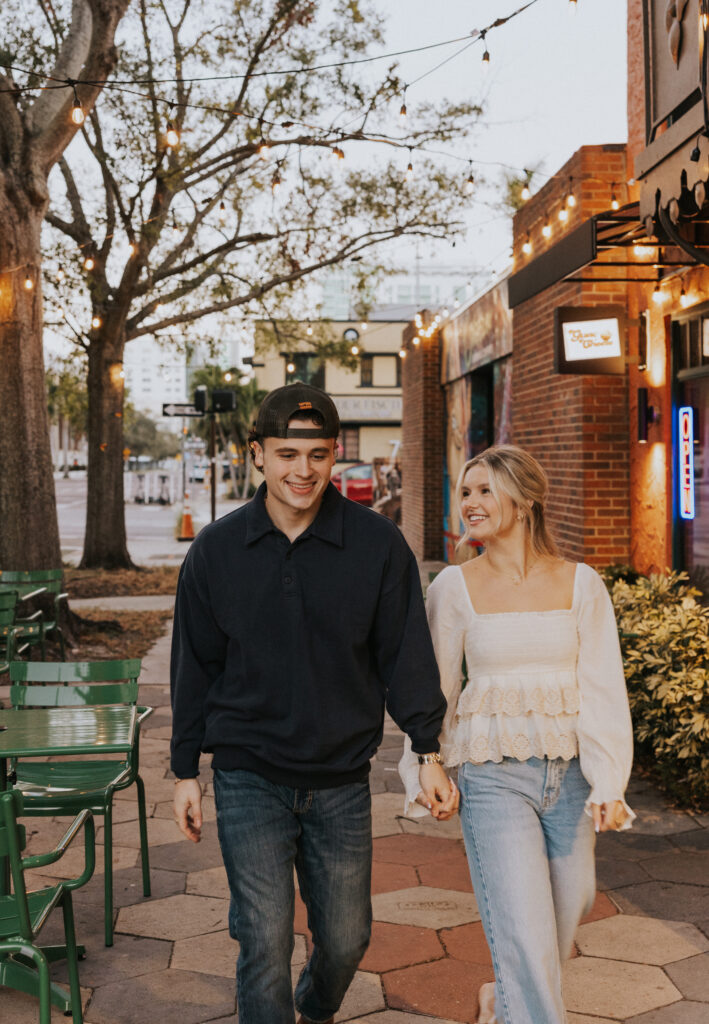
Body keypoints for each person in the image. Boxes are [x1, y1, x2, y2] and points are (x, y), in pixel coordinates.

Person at [171, 381, 457, 1024]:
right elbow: (194, 665)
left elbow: (406, 655)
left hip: (340, 780)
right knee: (265, 940)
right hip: (249, 773)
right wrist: (186, 769)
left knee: (348, 937)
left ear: (335, 456)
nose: (303, 471)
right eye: (286, 455)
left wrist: (428, 749)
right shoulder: (215, 551)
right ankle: (265, 965)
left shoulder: (378, 546)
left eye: (318, 456)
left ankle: (313, 1005)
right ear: (257, 455)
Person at [399, 444, 635, 1024]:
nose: (470, 504)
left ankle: (502, 1002)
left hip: (572, 779)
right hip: (493, 777)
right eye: (465, 492)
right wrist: (425, 766)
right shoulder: (453, 588)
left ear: (525, 500)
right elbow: (434, 692)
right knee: (526, 937)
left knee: (566, 910)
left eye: (484, 490)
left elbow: (603, 686)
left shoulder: (582, 584)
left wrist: (610, 782)